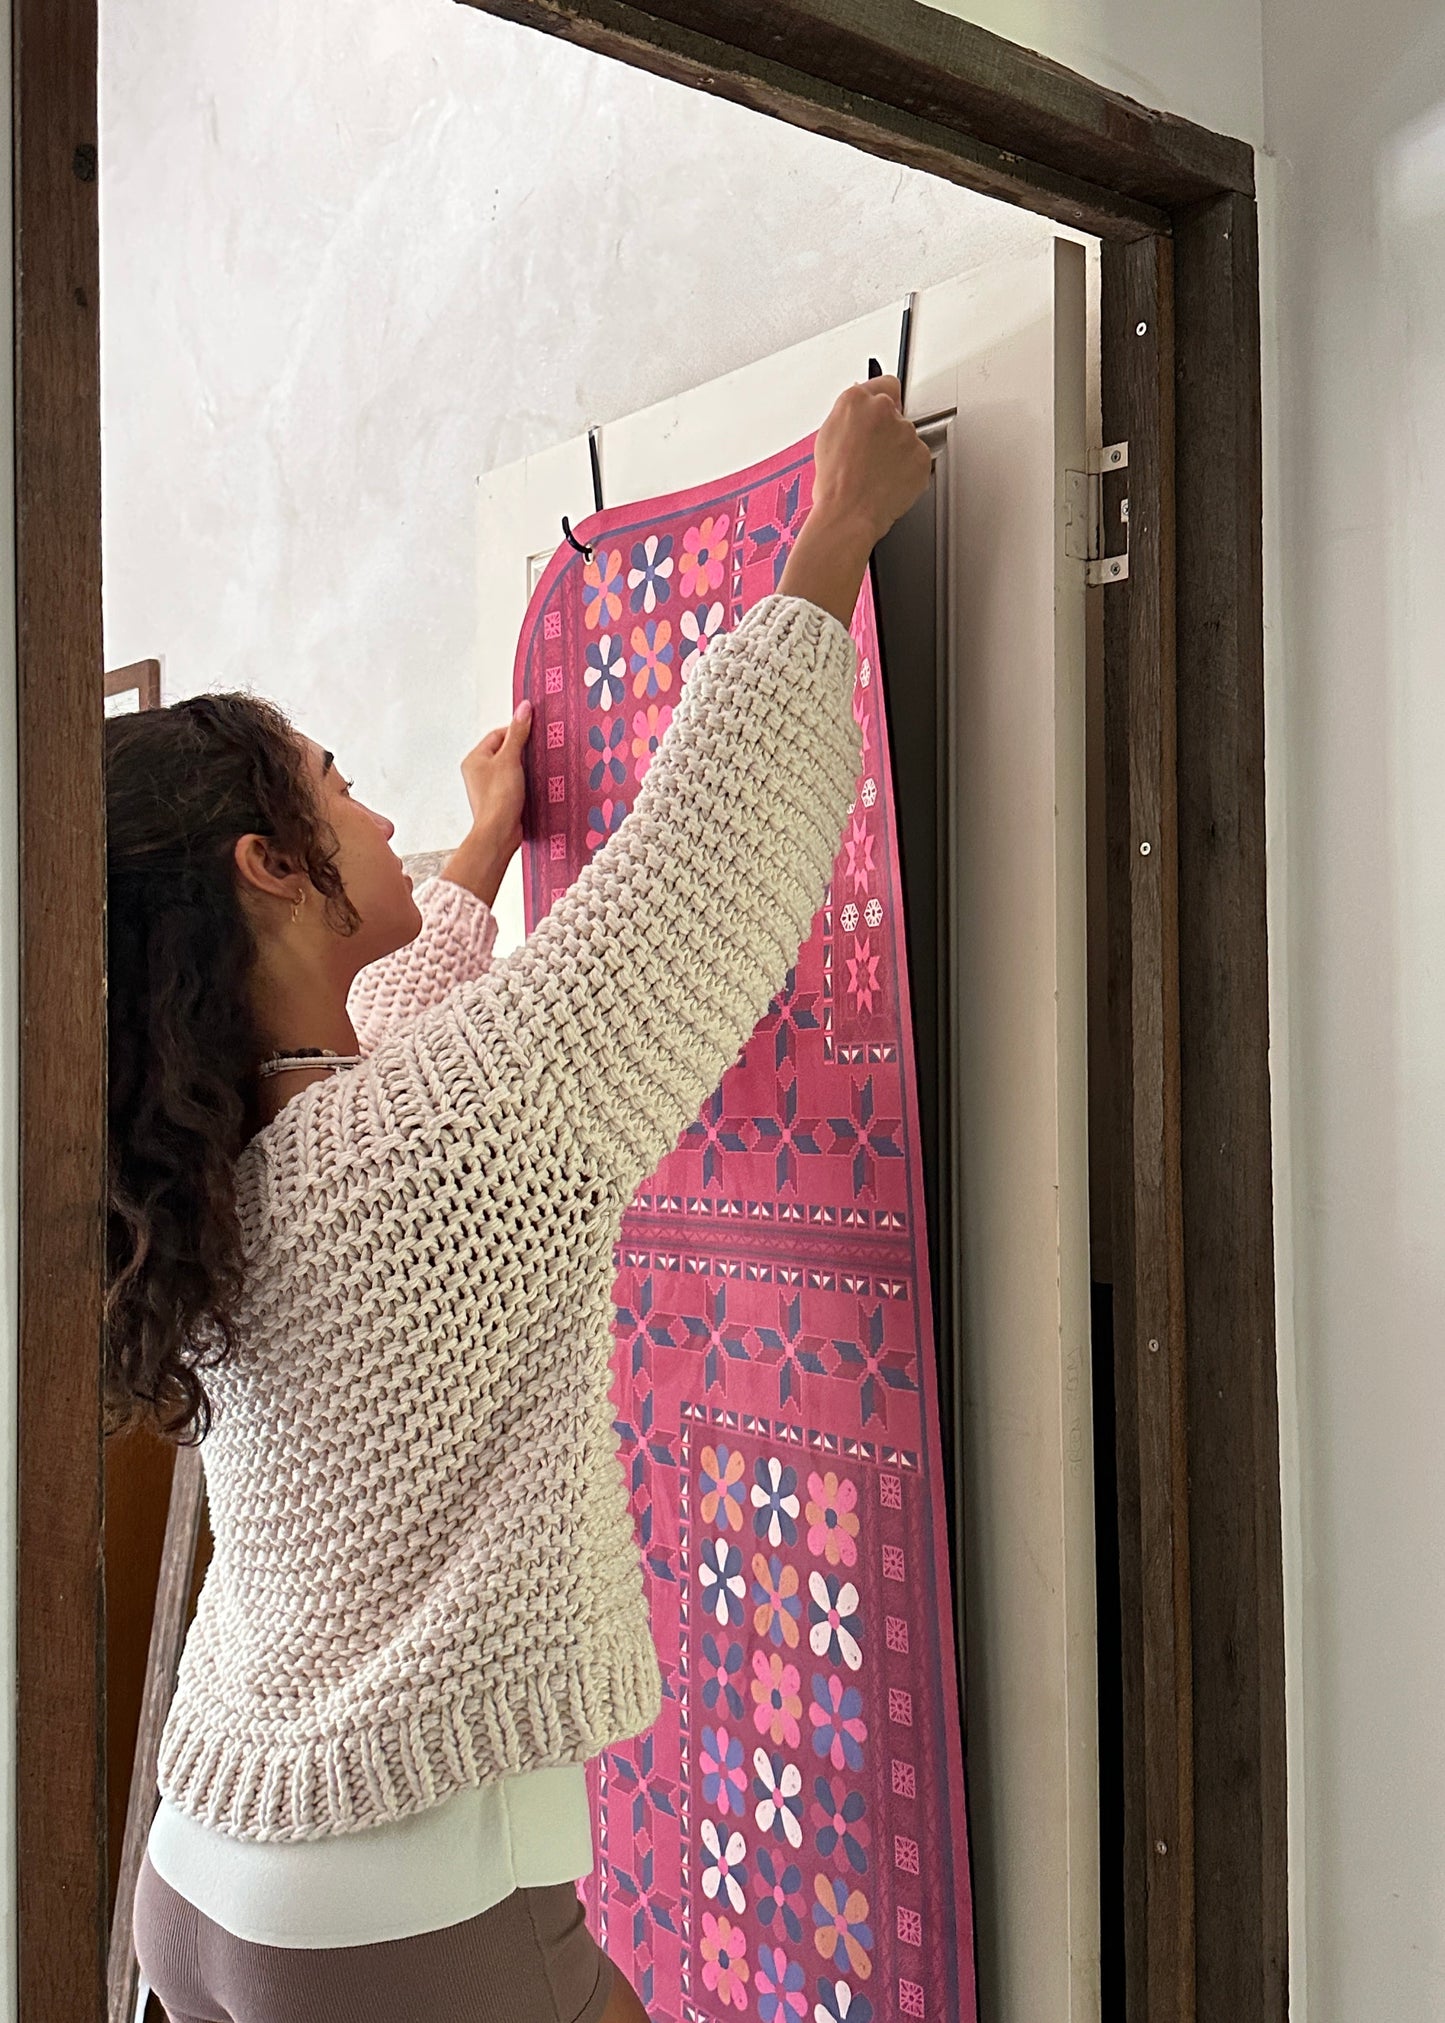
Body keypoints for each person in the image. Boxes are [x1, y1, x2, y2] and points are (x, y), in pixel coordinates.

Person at [116, 374, 930, 2023]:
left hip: (208, 1885)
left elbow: (407, 1044)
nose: (384, 810)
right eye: (336, 780)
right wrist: (829, 536)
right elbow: (697, 883)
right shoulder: (429, 1156)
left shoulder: (245, 1164)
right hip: (395, 1918)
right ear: (269, 868)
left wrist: (482, 854)